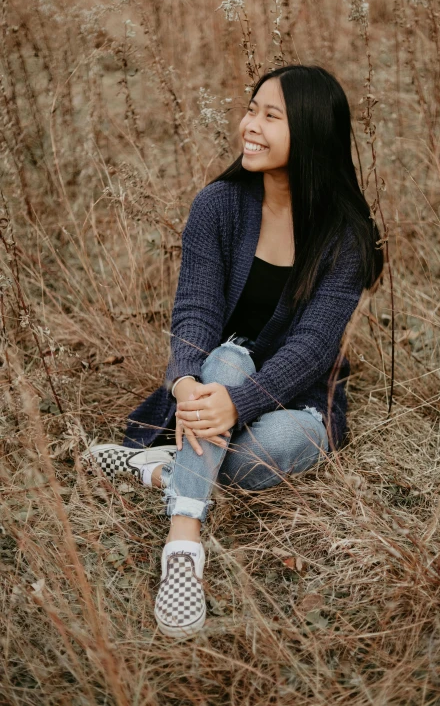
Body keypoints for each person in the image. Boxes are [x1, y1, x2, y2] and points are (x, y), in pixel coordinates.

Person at [83, 64, 384, 639]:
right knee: (223, 360)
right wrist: (183, 383)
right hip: (218, 381)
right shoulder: (218, 204)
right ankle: (183, 543)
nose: (250, 125)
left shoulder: (343, 234)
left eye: (271, 116)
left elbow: (313, 347)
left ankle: (164, 468)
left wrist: (240, 405)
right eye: (252, 109)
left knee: (257, 456)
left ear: (313, 133)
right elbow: (193, 312)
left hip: (300, 400)